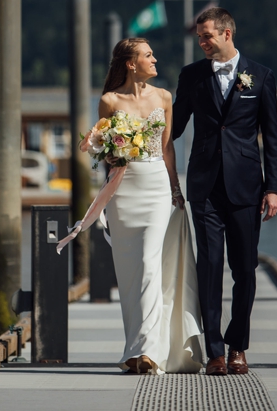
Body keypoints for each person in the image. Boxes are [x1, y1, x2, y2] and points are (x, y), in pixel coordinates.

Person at [172, 7, 277, 376]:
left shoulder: (261, 77)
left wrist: (273, 189)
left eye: (207, 36)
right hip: (204, 187)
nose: (202, 43)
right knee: (209, 268)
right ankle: (215, 350)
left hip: (247, 187)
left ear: (227, 34)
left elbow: (272, 141)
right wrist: (131, 147)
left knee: (245, 270)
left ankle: (239, 347)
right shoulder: (191, 76)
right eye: (199, 38)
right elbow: (173, 127)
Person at [98, 38, 203, 374]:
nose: (155, 59)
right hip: (123, 192)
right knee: (129, 274)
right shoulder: (109, 101)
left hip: (156, 187)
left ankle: (148, 352)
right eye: (148, 55)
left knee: (149, 264)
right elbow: (105, 155)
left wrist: (175, 188)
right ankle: (134, 350)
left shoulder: (164, 97)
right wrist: (111, 150)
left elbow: (167, 146)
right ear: (131, 63)